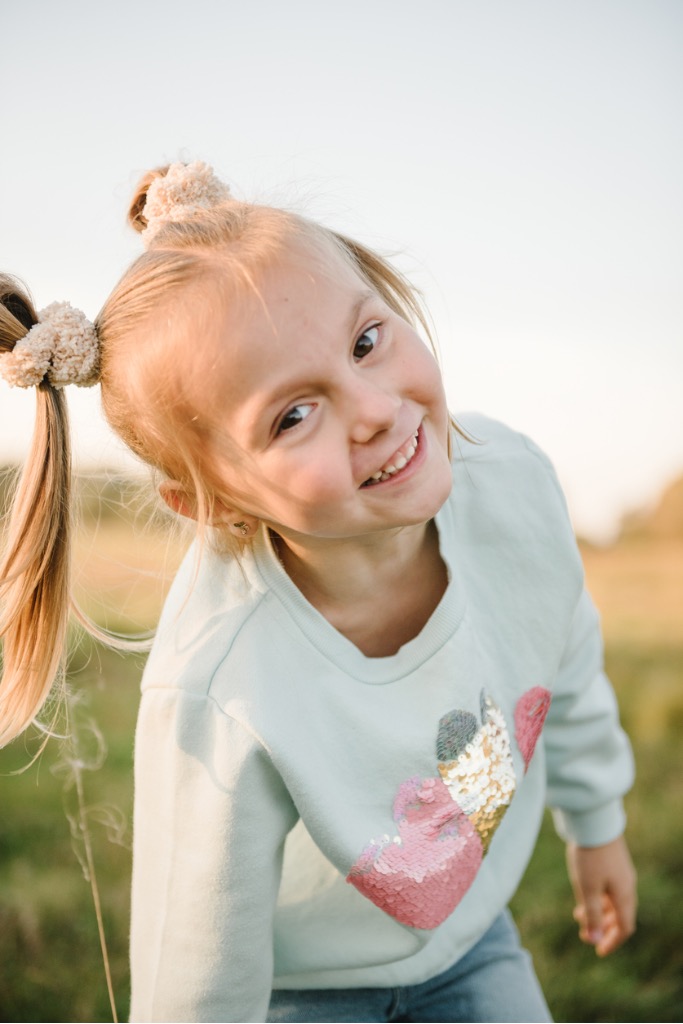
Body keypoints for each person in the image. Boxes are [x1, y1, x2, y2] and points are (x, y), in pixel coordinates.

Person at [0, 160, 636, 1023]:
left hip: (471, 941)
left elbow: (565, 653)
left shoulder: (514, 484)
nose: (373, 408)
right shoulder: (224, 680)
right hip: (296, 989)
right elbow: (195, 959)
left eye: (366, 340)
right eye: (292, 415)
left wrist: (595, 825)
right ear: (212, 503)